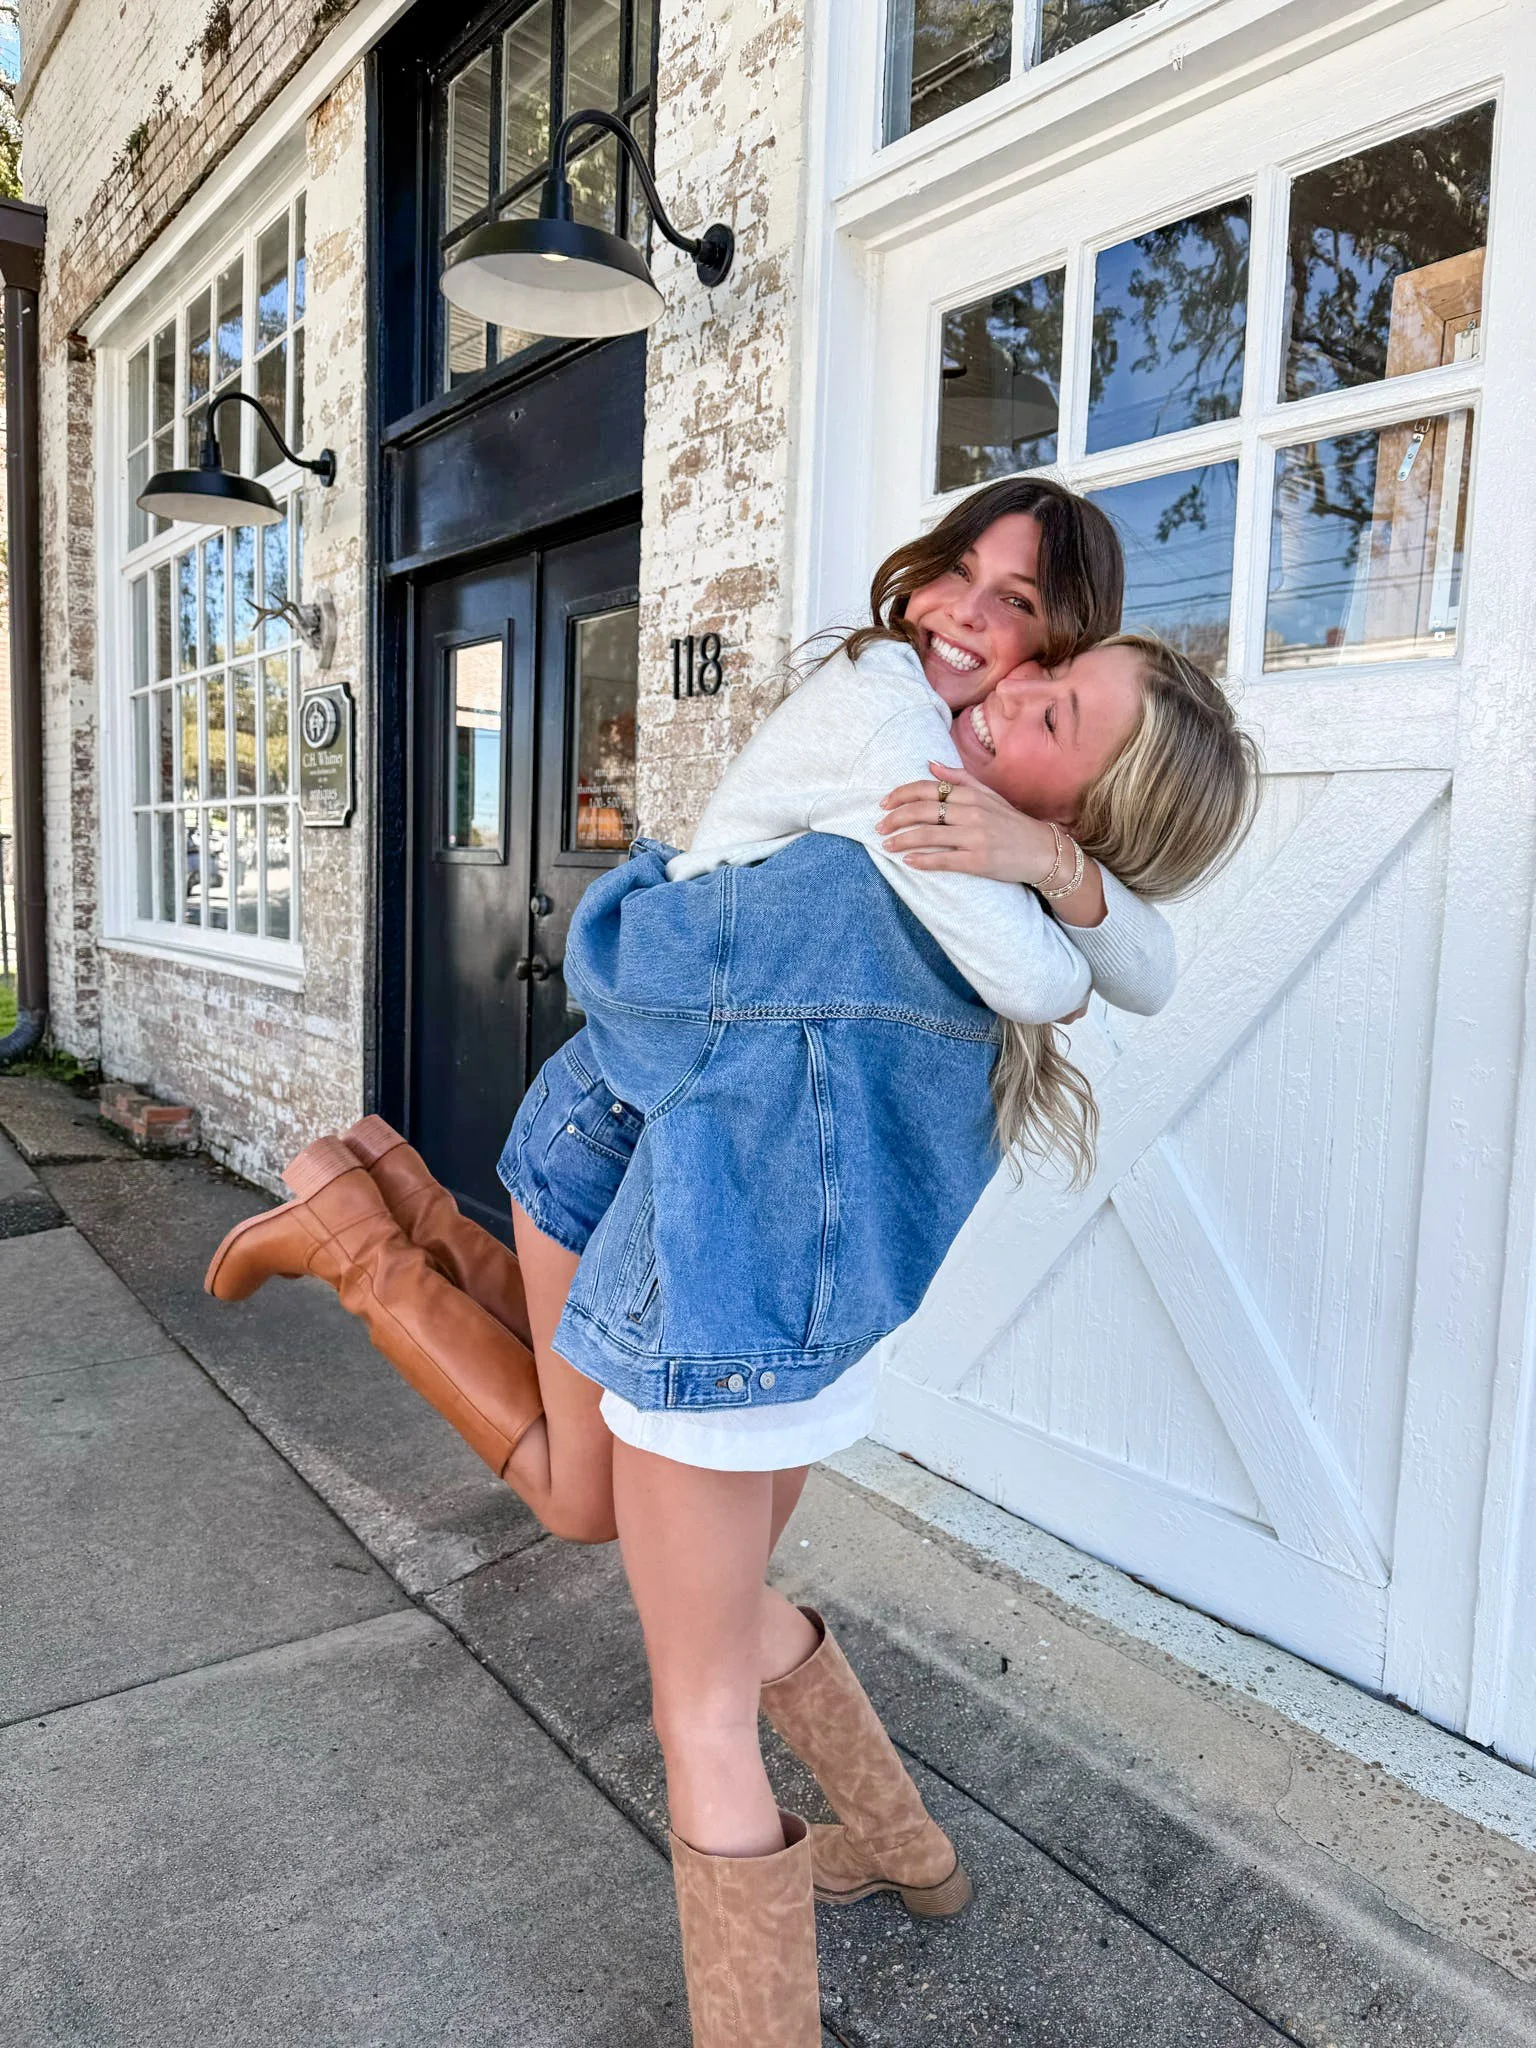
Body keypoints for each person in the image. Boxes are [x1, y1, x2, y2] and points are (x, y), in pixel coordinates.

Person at [206, 477, 1258, 2046]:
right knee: (604, 1523)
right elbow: (1056, 983)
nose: (982, 636)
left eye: (1033, 631)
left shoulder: (997, 810)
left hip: (712, 1195)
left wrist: (1053, 854)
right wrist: (1041, 855)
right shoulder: (894, 726)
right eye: (963, 580)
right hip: (621, 1134)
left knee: (627, 1524)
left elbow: (1143, 960)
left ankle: (379, 1214)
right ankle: (363, 1232)